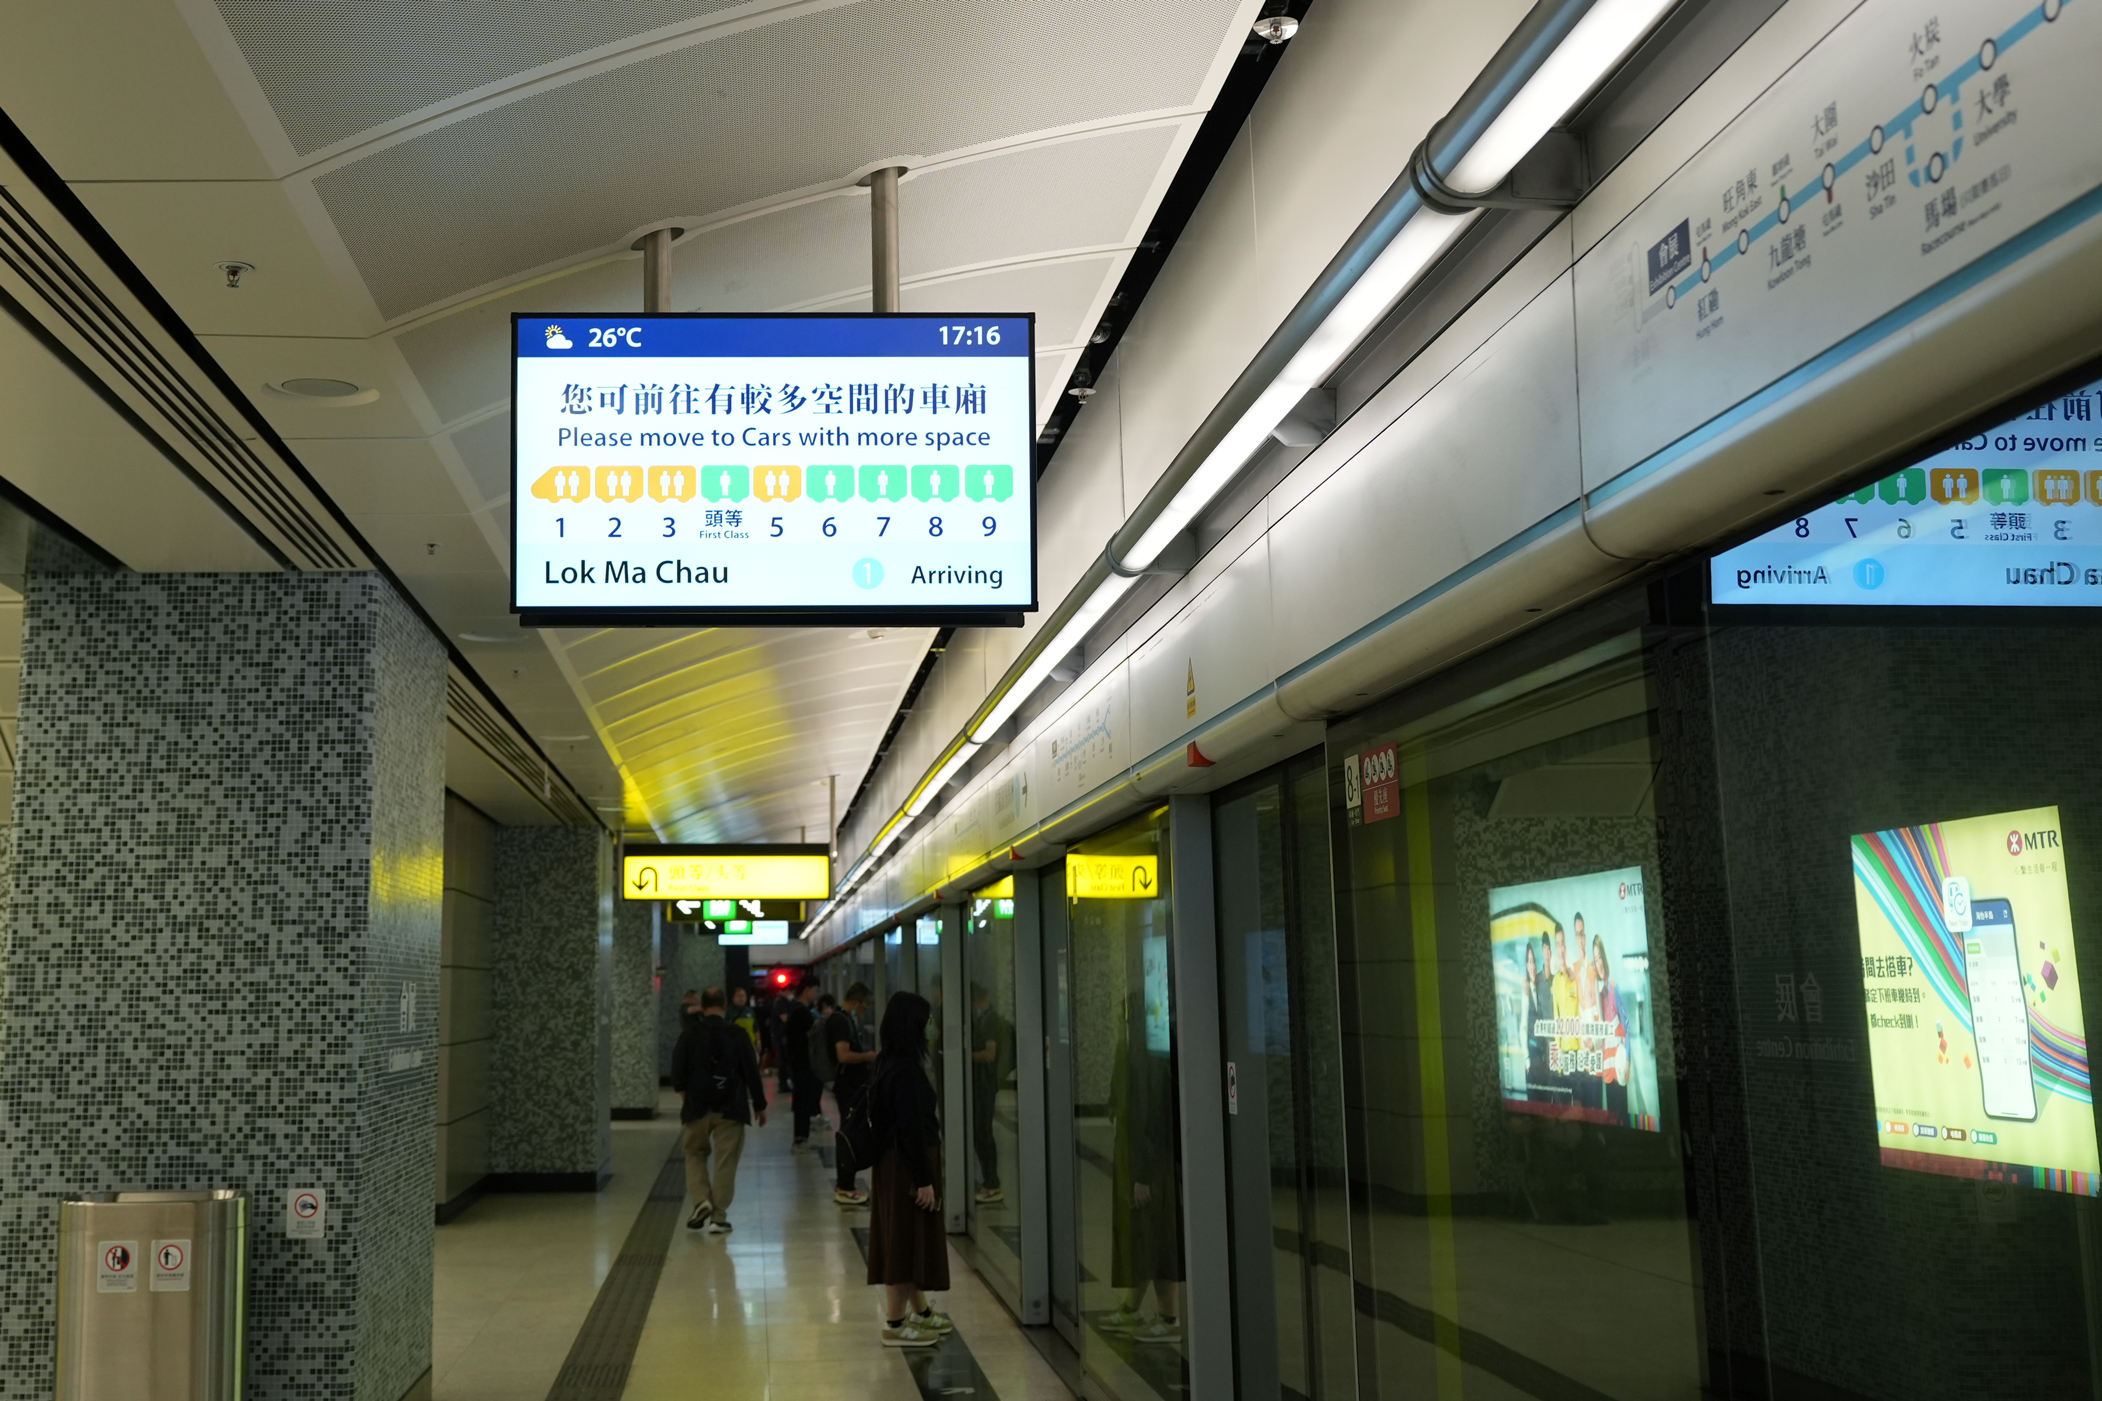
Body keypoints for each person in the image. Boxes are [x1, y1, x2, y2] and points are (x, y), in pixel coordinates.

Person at [865, 991, 950, 1347]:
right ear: (913, 1025)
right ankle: (895, 1324)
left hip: (891, 1164)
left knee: (907, 1237)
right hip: (906, 1166)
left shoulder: (887, 1061)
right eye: (927, 1020)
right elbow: (911, 1129)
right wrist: (924, 1180)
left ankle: (921, 1311)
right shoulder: (907, 1071)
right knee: (902, 1239)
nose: (932, 1025)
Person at [670, 986, 767, 1235]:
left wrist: (686, 1094)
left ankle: (701, 1199)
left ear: (702, 1007)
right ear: (725, 1006)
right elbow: (751, 1071)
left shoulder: (689, 1034)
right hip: (731, 1108)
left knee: (694, 1153)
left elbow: (677, 1072)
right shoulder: (737, 1034)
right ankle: (718, 1217)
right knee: (726, 1161)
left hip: (696, 1107)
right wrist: (759, 1104)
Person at [829, 983, 878, 1206]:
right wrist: (868, 1056)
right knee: (849, 1133)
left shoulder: (845, 1020)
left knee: (850, 1131)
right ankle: (845, 1185)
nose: (864, 1011)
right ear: (856, 1002)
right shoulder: (840, 1021)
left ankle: (846, 1184)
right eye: (865, 1006)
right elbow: (843, 1056)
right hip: (847, 1086)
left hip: (850, 1085)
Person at [968, 982, 1010, 1204]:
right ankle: (989, 1181)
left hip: (985, 1085)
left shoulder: (989, 1020)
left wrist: (967, 1056)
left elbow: (990, 1054)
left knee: (983, 1132)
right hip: (982, 1084)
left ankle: (992, 1183)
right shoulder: (984, 1018)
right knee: (979, 1132)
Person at [785, 978, 824, 1149]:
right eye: (815, 990)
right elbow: (812, 1034)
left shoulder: (795, 1009)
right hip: (803, 1061)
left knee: (802, 1098)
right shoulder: (801, 1012)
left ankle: (802, 1136)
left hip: (797, 1060)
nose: (817, 995)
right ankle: (801, 1138)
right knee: (803, 1099)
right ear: (806, 989)